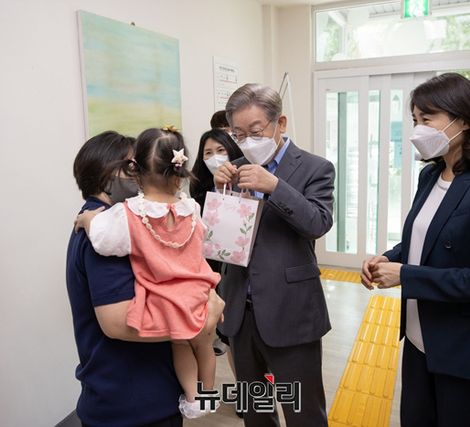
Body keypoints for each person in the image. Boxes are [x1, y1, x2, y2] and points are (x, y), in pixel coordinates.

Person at [361, 73, 470, 427]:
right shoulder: (431, 175)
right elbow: (424, 239)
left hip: (468, 344)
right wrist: (389, 259)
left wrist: (406, 276)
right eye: (414, 120)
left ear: (463, 120)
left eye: (427, 119)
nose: (417, 130)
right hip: (421, 337)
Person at [73, 127, 224, 420]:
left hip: (167, 298)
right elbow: (115, 323)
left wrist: (90, 220)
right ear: (178, 176)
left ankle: (193, 397)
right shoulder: (192, 208)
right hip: (198, 291)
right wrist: (202, 318)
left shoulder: (126, 216)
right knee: (204, 345)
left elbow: (103, 239)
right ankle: (205, 396)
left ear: (138, 174)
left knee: (181, 346)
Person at [213, 83, 335, 426]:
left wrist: (276, 187)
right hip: (240, 310)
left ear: (280, 123)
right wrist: (220, 192)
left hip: (290, 310)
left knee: (304, 413)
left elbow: (318, 223)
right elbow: (221, 241)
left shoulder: (315, 167)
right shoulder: (233, 170)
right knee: (256, 412)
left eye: (255, 131)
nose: (247, 141)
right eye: (239, 134)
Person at [189, 129, 243, 374]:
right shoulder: (199, 189)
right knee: (229, 333)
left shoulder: (247, 180)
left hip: (240, 265)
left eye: (221, 150)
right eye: (208, 153)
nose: (215, 157)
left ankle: (262, 385)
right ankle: (245, 385)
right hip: (212, 267)